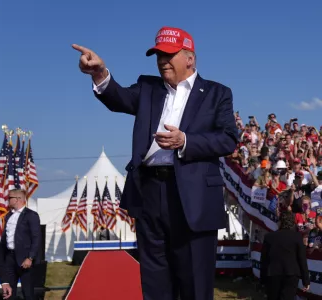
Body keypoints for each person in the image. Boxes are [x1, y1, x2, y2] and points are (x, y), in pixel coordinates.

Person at [73, 26, 238, 300]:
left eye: (169, 54)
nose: (162, 60)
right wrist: (99, 73)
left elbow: (228, 139)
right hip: (149, 192)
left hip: (193, 197)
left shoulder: (217, 94)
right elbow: (119, 98)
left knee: (195, 282)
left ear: (190, 58)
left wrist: (185, 141)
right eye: (158, 55)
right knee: (155, 281)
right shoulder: (148, 88)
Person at [1, 189, 41, 300]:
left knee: (27, 292)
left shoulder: (31, 215)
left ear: (18, 199)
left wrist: (30, 257)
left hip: (25, 259)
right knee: (9, 292)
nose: (7, 200)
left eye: (9, 198)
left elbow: (36, 238)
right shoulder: (8, 216)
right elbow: (5, 238)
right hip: (9, 258)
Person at [260, 211, 310, 299]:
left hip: (273, 274)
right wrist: (306, 281)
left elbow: (264, 260)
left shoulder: (269, 237)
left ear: (280, 222)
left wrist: (263, 280)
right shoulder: (297, 237)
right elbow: (302, 259)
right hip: (291, 274)